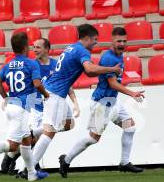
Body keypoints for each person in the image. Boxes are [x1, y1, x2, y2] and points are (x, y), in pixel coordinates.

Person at [30, 24, 122, 173]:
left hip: (55, 91)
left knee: (68, 123)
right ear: (86, 38)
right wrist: (112, 69)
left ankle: (35, 132)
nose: (96, 43)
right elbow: (91, 69)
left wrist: (100, 70)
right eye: (95, 39)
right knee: (50, 132)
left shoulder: (72, 47)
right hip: (55, 93)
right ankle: (30, 167)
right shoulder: (82, 51)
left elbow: (89, 72)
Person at [59, 27, 145, 178]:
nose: (122, 44)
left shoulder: (119, 55)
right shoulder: (109, 58)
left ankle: (124, 163)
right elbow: (112, 83)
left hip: (113, 102)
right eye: (119, 41)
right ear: (112, 40)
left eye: (124, 41)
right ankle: (65, 159)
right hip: (102, 103)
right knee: (93, 138)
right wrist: (132, 93)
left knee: (129, 127)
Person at [0, 32, 49, 182]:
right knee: (12, 145)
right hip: (22, 109)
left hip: (12, 107)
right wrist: (46, 95)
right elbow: (37, 84)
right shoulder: (31, 63)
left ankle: (31, 174)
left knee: (26, 141)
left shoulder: (8, 65)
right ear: (26, 47)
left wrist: (5, 97)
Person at [3, 38, 81, 178]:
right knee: (35, 139)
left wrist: (75, 103)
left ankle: (18, 157)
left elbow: (67, 86)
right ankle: (19, 163)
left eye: (38, 47)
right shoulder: (31, 65)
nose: (35, 50)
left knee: (69, 124)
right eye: (33, 47)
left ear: (47, 49)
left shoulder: (57, 64)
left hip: (54, 102)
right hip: (37, 108)